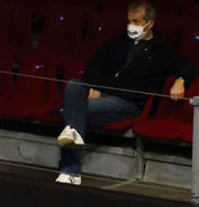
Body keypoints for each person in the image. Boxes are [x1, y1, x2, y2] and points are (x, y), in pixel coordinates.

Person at [55, 1, 196, 185]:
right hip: (103, 96)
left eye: (136, 21)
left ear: (150, 23)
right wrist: (95, 86)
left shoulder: (162, 51)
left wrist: (180, 80)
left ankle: (70, 170)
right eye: (129, 21)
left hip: (127, 103)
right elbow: (96, 63)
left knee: (72, 112)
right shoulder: (119, 41)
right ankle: (73, 134)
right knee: (74, 84)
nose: (131, 26)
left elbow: (189, 66)